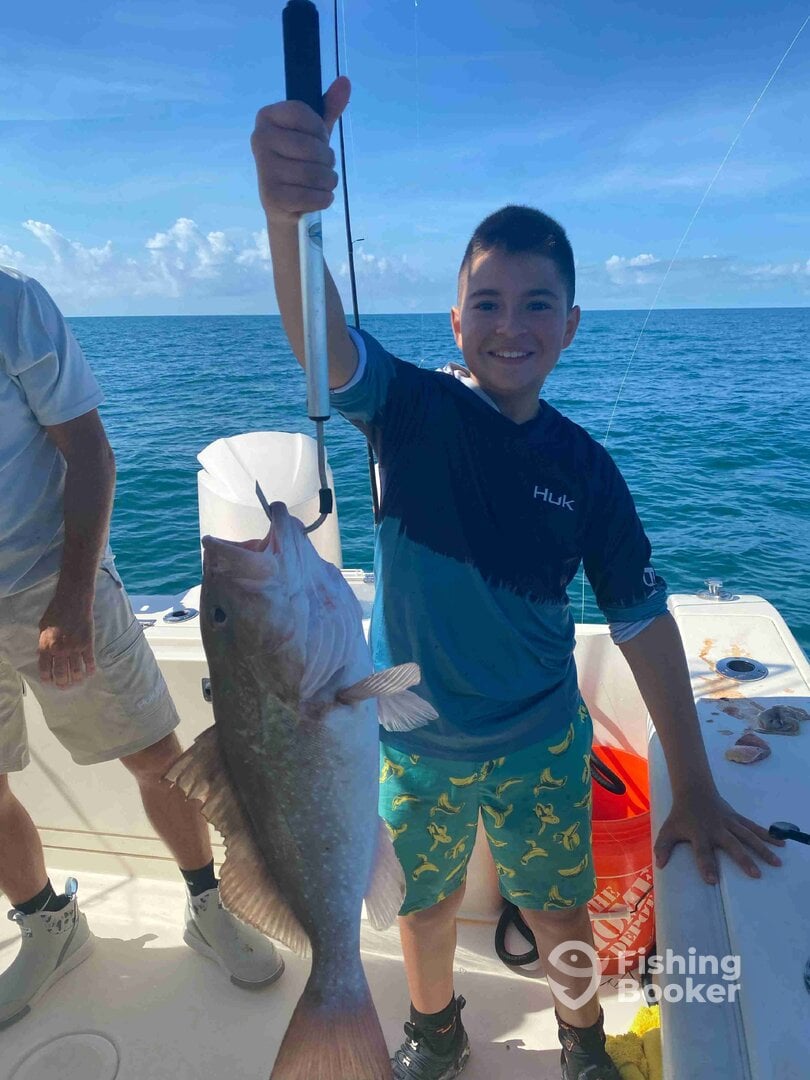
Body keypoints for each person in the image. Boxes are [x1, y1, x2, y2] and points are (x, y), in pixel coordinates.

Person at [250, 76, 784, 1080]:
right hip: (412, 744)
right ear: (455, 322)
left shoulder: (587, 470)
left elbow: (644, 621)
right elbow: (321, 344)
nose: (511, 323)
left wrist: (696, 786)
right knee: (424, 909)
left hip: (541, 742)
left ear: (570, 326)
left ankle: (581, 1041)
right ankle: (434, 1031)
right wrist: (288, 221)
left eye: (537, 304)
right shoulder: (409, 410)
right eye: (488, 303)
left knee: (558, 911)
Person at [0, 265, 284, 1031]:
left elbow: (91, 454)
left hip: (52, 576)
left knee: (156, 757)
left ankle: (207, 903)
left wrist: (72, 598)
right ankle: (47, 922)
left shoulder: (12, 302)